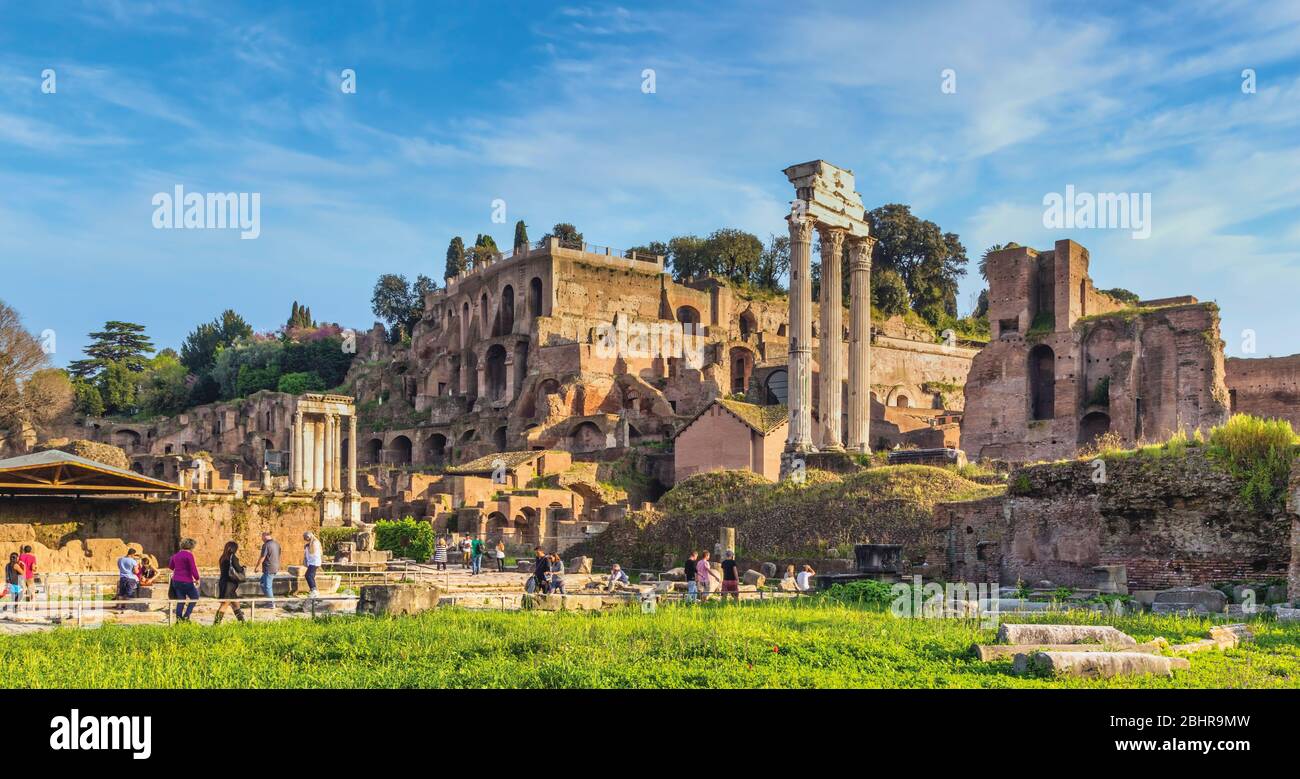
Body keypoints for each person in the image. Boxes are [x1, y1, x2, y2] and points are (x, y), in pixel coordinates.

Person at [213, 541, 247, 625]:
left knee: (236, 604)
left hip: (223, 583)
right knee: (224, 604)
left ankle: (243, 624)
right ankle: (215, 625)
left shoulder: (222, 557)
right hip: (229, 584)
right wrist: (243, 568)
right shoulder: (233, 557)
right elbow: (238, 569)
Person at [167, 538, 201, 622]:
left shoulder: (175, 555)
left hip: (176, 581)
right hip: (186, 581)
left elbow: (171, 567)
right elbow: (193, 568)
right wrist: (197, 578)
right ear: (191, 547)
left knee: (181, 600)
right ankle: (186, 616)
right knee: (195, 597)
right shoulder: (189, 555)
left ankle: (178, 620)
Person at [255, 531, 281, 599]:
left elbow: (262, 557)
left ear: (264, 536)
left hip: (269, 568)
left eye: (262, 537)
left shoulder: (266, 545)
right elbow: (278, 555)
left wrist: (257, 567)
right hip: (275, 567)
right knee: (262, 583)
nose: (262, 539)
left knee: (267, 586)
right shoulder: (277, 544)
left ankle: (271, 603)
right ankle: (269, 598)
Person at [302, 531, 322, 598]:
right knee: (311, 576)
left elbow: (312, 552)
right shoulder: (311, 543)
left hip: (314, 562)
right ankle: (313, 590)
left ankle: (314, 591)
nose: (305, 540)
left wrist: (307, 547)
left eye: (305, 538)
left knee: (308, 575)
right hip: (313, 562)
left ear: (308, 537)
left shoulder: (315, 542)